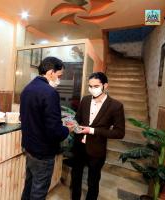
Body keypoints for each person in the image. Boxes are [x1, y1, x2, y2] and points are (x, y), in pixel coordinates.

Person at [20, 57, 71, 200]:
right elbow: (54, 131)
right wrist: (67, 130)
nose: (59, 79)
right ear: (50, 72)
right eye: (59, 75)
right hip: (43, 152)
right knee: (38, 192)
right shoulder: (50, 93)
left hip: (29, 148)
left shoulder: (27, 88)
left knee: (29, 186)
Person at [71, 72, 125, 200]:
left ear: (105, 85)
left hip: (96, 149)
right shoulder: (85, 100)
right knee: (75, 178)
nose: (92, 89)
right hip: (79, 146)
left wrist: (92, 131)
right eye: (90, 86)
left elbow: (119, 133)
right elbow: (77, 119)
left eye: (96, 86)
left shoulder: (115, 106)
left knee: (93, 182)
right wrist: (72, 124)